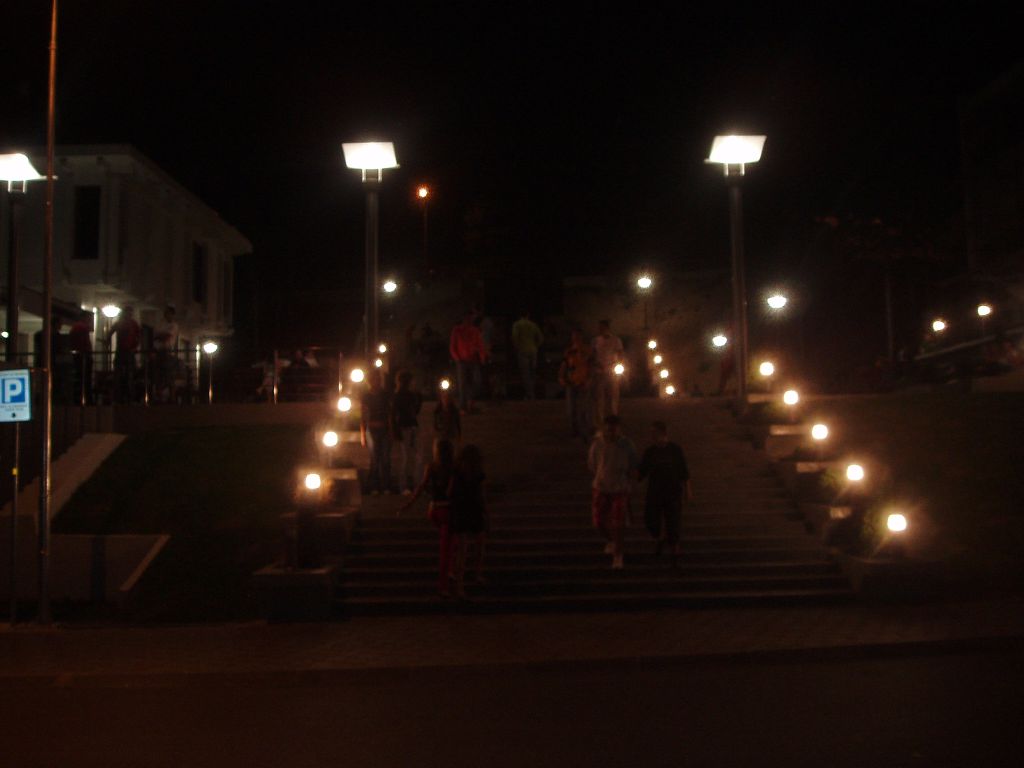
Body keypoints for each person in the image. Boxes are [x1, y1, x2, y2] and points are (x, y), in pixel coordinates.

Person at [403, 439, 457, 597]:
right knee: (447, 548)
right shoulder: (453, 468)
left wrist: (409, 503)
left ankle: (451, 569)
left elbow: (421, 486)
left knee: (451, 542)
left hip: (434, 510)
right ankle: (444, 583)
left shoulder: (431, 467)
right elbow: (450, 492)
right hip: (447, 510)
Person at [588, 414, 638, 569]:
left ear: (619, 429)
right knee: (598, 521)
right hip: (601, 487)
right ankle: (611, 541)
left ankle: (618, 554)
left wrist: (630, 483)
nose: (611, 432)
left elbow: (633, 465)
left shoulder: (627, 444)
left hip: (619, 488)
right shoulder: (597, 444)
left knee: (618, 524)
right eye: (608, 428)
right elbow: (592, 464)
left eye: (614, 428)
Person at [638, 420, 691, 563]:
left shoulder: (675, 449)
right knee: (650, 519)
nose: (652, 436)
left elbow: (683, 470)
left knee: (673, 520)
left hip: (673, 491)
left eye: (654, 433)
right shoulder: (650, 452)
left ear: (663, 433)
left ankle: (675, 550)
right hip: (654, 491)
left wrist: (687, 489)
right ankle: (660, 537)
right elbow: (641, 471)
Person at [450, 443, 488, 596]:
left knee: (462, 550)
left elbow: (450, 491)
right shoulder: (478, 473)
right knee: (479, 546)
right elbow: (482, 495)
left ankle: (459, 585)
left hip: (461, 510)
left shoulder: (457, 473)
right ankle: (476, 573)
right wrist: (486, 512)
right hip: (475, 510)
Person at [360, 368, 392, 495]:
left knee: (385, 459)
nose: (376, 381)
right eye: (374, 379)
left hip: (384, 428)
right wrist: (363, 434)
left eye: (378, 379)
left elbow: (389, 413)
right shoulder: (366, 396)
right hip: (372, 429)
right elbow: (363, 415)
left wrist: (391, 430)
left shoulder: (385, 394)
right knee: (375, 458)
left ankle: (386, 486)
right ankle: (374, 486)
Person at [558, 328, 594, 441]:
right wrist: (561, 377)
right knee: (571, 410)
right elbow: (564, 365)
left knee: (584, 409)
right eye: (574, 337)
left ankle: (586, 431)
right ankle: (575, 430)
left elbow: (591, 366)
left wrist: (589, 380)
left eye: (577, 337)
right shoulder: (569, 351)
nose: (576, 339)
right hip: (571, 382)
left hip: (583, 382)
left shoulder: (587, 350)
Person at [392, 370, 423, 495]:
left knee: (418, 457)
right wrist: (395, 430)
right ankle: (403, 486)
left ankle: (417, 485)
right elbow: (393, 414)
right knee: (405, 458)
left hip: (413, 426)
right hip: (404, 427)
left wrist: (419, 399)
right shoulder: (398, 396)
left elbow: (416, 411)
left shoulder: (411, 395)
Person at [449, 311, 486, 413]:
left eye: (471, 319)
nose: (469, 320)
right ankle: (463, 406)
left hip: (473, 360)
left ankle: (470, 402)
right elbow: (452, 346)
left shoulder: (475, 330)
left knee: (477, 381)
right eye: (467, 318)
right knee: (462, 384)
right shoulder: (457, 330)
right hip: (461, 361)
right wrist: (457, 358)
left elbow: (480, 345)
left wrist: (482, 356)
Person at [592, 319, 624, 424]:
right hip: (599, 371)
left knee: (613, 395)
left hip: (612, 370)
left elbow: (620, 354)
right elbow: (593, 355)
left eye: (602, 328)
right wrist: (596, 364)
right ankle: (601, 418)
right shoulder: (596, 341)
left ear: (607, 328)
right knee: (600, 397)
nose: (600, 330)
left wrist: (618, 365)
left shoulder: (616, 340)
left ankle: (614, 416)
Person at [110, 305, 141, 404]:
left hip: (126, 351)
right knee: (122, 374)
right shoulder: (124, 323)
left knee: (127, 375)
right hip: (123, 351)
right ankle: (121, 396)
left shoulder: (129, 324)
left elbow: (139, 336)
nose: (129, 315)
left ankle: (126, 396)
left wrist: (135, 346)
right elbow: (111, 331)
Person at [511, 309, 544, 400]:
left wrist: (517, 347)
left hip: (522, 351)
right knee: (533, 372)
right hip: (533, 350)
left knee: (525, 373)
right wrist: (535, 346)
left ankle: (529, 393)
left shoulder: (517, 325)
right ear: (528, 315)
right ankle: (532, 392)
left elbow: (514, 337)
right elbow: (541, 338)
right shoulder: (533, 325)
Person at [153, 305, 179, 404]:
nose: (166, 315)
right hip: (159, 351)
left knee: (169, 375)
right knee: (159, 375)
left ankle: (171, 398)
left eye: (168, 313)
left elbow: (167, 336)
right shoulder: (161, 324)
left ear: (172, 314)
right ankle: (159, 397)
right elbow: (156, 335)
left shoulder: (174, 325)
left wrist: (161, 336)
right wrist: (161, 336)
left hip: (167, 351)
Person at [69, 313, 93, 405]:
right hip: (83, 356)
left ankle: (80, 397)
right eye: (88, 318)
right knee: (85, 378)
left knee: (81, 377)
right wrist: (88, 352)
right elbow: (85, 342)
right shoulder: (82, 327)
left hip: (79, 355)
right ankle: (86, 398)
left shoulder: (76, 327)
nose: (89, 321)